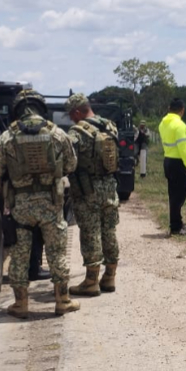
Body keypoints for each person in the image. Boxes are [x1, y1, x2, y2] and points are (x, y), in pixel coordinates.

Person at [0, 90, 81, 317]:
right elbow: (71, 165)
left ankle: (21, 304)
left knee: (20, 254)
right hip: (51, 202)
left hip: (20, 205)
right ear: (42, 108)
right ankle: (62, 300)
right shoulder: (57, 134)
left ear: (17, 110)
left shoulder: (7, 137)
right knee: (56, 252)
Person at [65, 93, 121, 298]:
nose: (71, 119)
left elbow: (69, 161)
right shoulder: (110, 126)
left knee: (90, 233)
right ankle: (110, 276)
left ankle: (91, 281)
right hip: (110, 187)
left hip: (87, 190)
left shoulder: (77, 132)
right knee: (109, 231)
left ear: (78, 111)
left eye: (71, 114)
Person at [160, 99, 186, 236]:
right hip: (178, 163)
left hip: (168, 161)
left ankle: (177, 223)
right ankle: (176, 226)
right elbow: (183, 149)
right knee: (179, 195)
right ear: (182, 110)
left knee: (173, 194)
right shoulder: (179, 125)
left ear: (169, 108)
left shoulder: (163, 123)